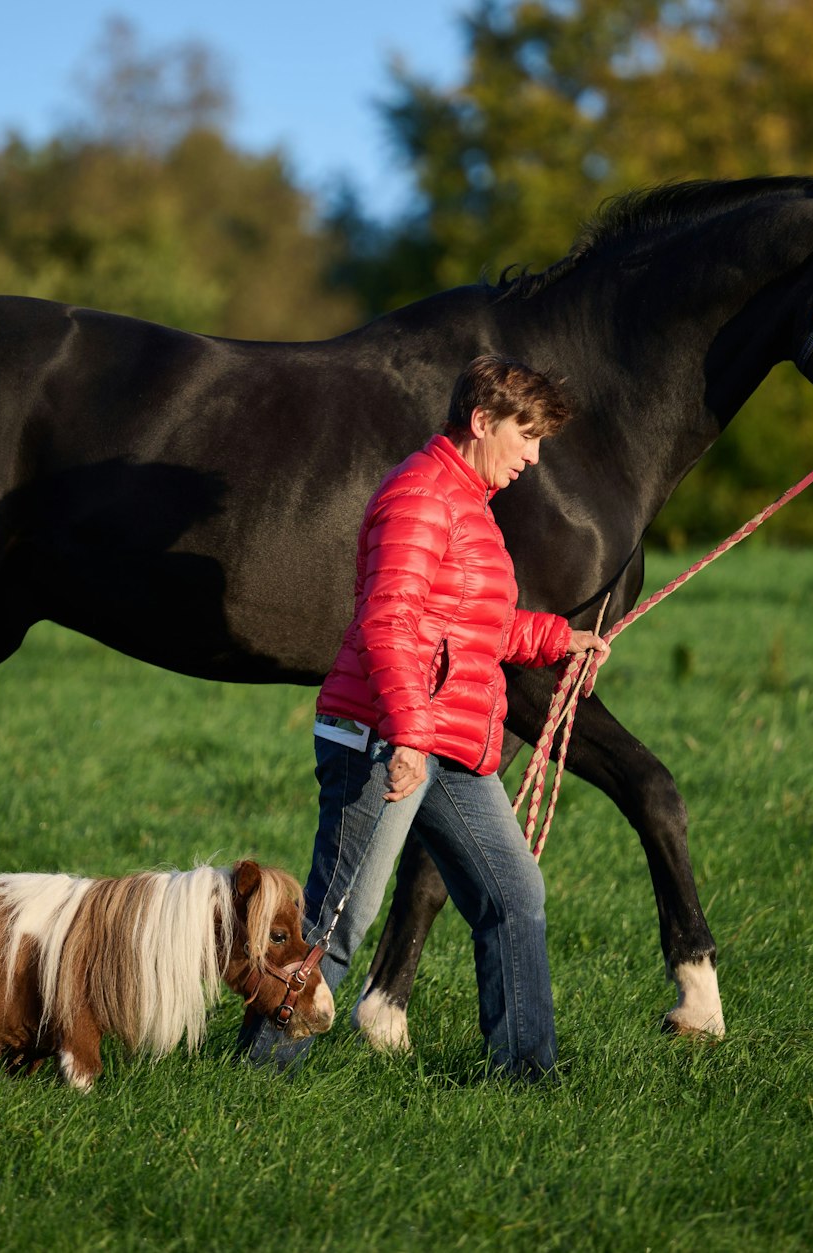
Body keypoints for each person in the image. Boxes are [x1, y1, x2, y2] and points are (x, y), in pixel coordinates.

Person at [244, 354, 608, 1081]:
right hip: (386, 736)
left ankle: (525, 1076)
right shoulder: (420, 496)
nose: (534, 457)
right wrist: (410, 734)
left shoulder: (468, 505)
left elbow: (476, 628)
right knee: (344, 916)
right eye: (527, 436)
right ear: (482, 421)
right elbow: (390, 620)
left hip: (443, 740)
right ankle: (258, 1072)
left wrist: (557, 639)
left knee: (514, 894)